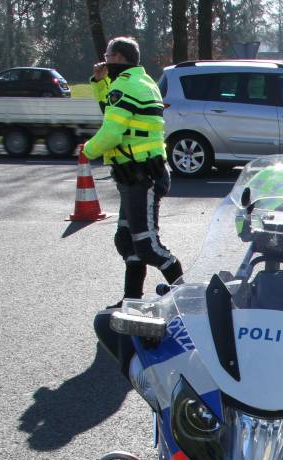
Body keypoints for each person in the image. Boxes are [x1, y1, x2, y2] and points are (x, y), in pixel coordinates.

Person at [84, 36, 182, 308]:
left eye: (107, 56)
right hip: (135, 173)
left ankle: (186, 297)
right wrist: (100, 83)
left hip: (142, 176)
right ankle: (131, 301)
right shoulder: (141, 82)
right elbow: (112, 110)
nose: (104, 60)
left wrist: (87, 150)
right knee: (127, 240)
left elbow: (111, 131)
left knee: (147, 246)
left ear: (119, 58)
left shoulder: (127, 85)